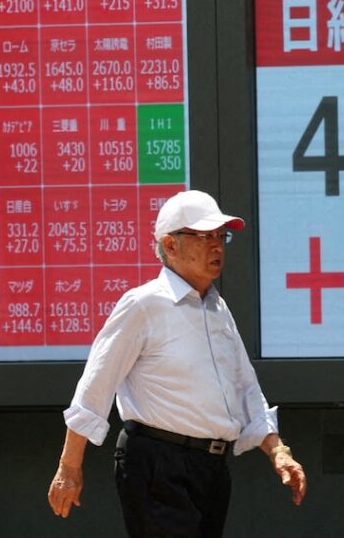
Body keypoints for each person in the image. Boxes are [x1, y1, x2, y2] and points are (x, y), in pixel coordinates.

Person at [48, 189, 306, 536]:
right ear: (170, 245)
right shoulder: (143, 304)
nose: (217, 246)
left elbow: (245, 388)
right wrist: (69, 466)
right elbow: (96, 385)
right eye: (204, 236)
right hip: (157, 463)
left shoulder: (218, 309)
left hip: (211, 468)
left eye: (221, 236)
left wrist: (278, 451)